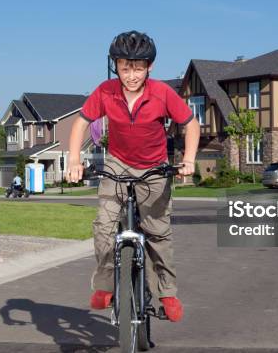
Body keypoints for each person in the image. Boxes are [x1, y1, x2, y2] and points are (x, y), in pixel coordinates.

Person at [67, 30, 200, 322]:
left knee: (157, 232)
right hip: (117, 163)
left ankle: (166, 293)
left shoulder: (163, 93)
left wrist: (188, 159)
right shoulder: (105, 91)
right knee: (104, 225)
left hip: (154, 166)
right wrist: (74, 160)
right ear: (116, 65)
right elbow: (80, 124)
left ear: (149, 67)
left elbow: (191, 125)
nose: (131, 75)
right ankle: (106, 286)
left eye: (138, 68)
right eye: (125, 68)